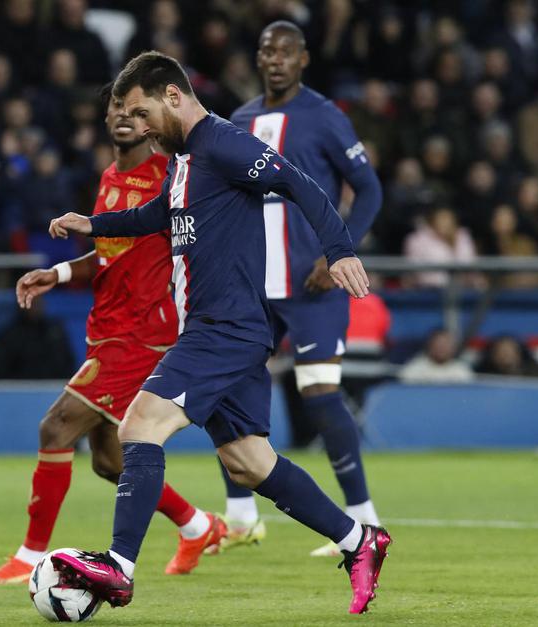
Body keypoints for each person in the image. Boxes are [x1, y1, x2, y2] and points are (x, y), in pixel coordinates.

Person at [47, 51, 388, 615]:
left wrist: (339, 248)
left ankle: (119, 567)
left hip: (224, 327)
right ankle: (360, 541)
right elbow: (159, 215)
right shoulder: (183, 159)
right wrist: (96, 224)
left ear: (173, 96)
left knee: (139, 426)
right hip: (223, 328)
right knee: (249, 462)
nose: (137, 124)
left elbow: (300, 183)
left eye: (142, 110)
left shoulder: (224, 143)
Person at [0, 84, 225, 585]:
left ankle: (29, 557)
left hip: (144, 333)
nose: (125, 116)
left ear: (154, 119)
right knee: (110, 461)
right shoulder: (111, 177)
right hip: (108, 327)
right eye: (117, 107)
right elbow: (112, 254)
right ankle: (199, 525)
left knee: (55, 427)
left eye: (137, 109)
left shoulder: (167, 177)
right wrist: (61, 274)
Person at [220, 20, 383, 558]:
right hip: (252, 285)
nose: (276, 59)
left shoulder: (324, 115)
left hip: (312, 281)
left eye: (287, 51)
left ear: (304, 59)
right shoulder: (240, 120)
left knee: (319, 392)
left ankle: (364, 518)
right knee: (229, 391)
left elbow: (369, 188)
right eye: (268, 50)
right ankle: (240, 518)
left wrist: (340, 252)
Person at [399, 329, 474, 383]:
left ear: (453, 348)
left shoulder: (461, 370)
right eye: (439, 345)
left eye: (446, 345)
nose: (442, 349)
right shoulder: (414, 369)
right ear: (430, 346)